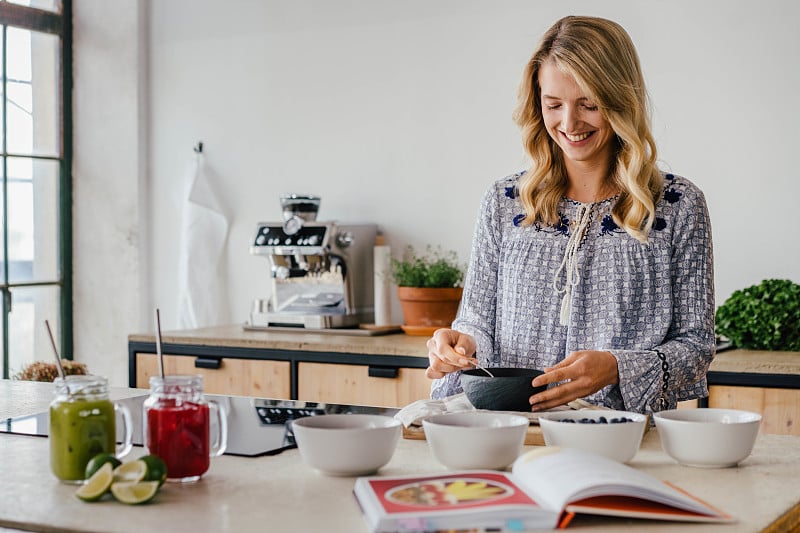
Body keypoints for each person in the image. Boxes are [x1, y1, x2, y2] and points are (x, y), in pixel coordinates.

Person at [426, 15, 715, 415]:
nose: (569, 123)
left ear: (620, 101)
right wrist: (459, 343)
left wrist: (617, 367)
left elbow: (696, 345)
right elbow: (476, 320)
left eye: (589, 104)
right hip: (506, 430)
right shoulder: (504, 202)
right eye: (553, 104)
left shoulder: (678, 205)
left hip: (616, 436)